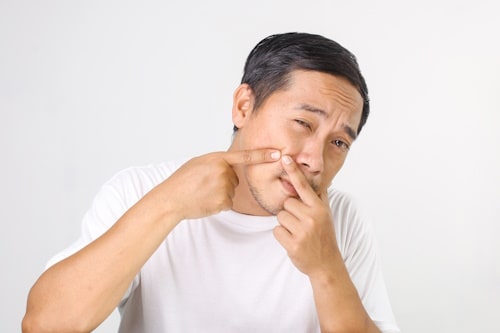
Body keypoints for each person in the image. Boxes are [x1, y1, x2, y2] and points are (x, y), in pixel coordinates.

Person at [23, 32, 400, 333]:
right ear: (243, 107)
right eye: (303, 123)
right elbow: (45, 325)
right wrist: (167, 205)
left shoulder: (344, 219)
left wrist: (326, 268)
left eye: (338, 143)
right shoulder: (140, 190)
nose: (313, 161)